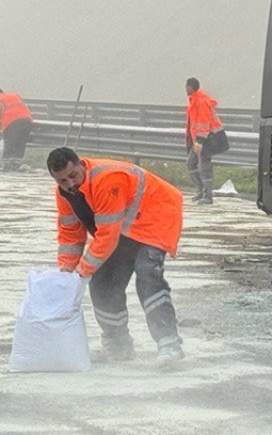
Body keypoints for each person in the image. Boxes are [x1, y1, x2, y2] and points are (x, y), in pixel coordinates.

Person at [47, 147, 186, 364]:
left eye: (73, 176)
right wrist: (66, 271)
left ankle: (169, 345)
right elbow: (71, 236)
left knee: (147, 273)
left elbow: (107, 237)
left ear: (81, 165)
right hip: (125, 225)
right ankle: (118, 346)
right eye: (62, 181)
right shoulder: (64, 194)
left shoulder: (107, 179)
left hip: (156, 215)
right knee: (102, 282)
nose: (70, 184)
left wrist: (82, 272)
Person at [185, 77, 223, 204]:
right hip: (198, 140)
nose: (186, 89)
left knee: (204, 167)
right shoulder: (194, 101)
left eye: (188, 86)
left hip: (205, 140)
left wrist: (199, 141)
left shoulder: (200, 102)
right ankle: (201, 190)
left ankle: (208, 196)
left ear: (193, 87)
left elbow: (204, 123)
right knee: (191, 163)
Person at [0, 87, 34, 171]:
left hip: (12, 123)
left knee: (9, 144)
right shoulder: (14, 96)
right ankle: (17, 165)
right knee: (20, 143)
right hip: (27, 121)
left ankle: (6, 166)